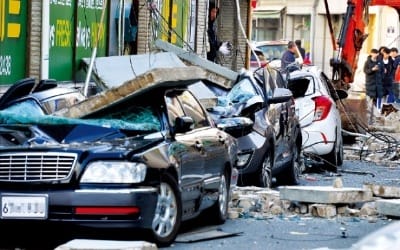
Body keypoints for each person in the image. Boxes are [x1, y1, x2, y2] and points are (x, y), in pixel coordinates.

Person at [364, 48, 384, 124]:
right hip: (370, 85)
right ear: (371, 53)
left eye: (377, 54)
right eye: (374, 53)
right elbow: (365, 71)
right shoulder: (367, 62)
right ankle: (369, 120)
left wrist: (381, 78)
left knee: (374, 103)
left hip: (377, 86)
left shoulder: (380, 62)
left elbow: (382, 72)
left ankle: (373, 120)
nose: (376, 55)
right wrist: (372, 69)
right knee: (369, 103)